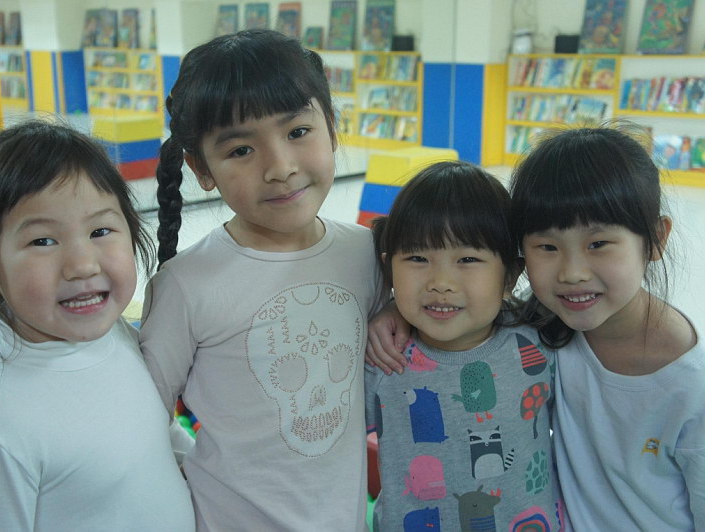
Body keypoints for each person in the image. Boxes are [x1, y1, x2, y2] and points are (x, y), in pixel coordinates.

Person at [140, 29, 382, 531]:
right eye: (241, 150)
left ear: (332, 128)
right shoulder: (185, 286)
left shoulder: (366, 254)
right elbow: (142, 423)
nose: (279, 168)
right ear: (201, 168)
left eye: (297, 132)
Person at [0, 120, 195, 531]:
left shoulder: (122, 338)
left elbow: (158, 439)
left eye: (100, 231)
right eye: (42, 241)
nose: (82, 265)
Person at [510, 124, 704, 530]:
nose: (572, 273)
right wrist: (393, 316)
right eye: (547, 247)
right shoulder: (542, 328)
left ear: (655, 239)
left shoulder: (692, 388)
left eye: (598, 244)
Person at [365, 161, 562, 531]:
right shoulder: (383, 356)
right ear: (389, 269)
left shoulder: (540, 342)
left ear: (511, 274)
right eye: (418, 258)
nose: (441, 282)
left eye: (468, 259)